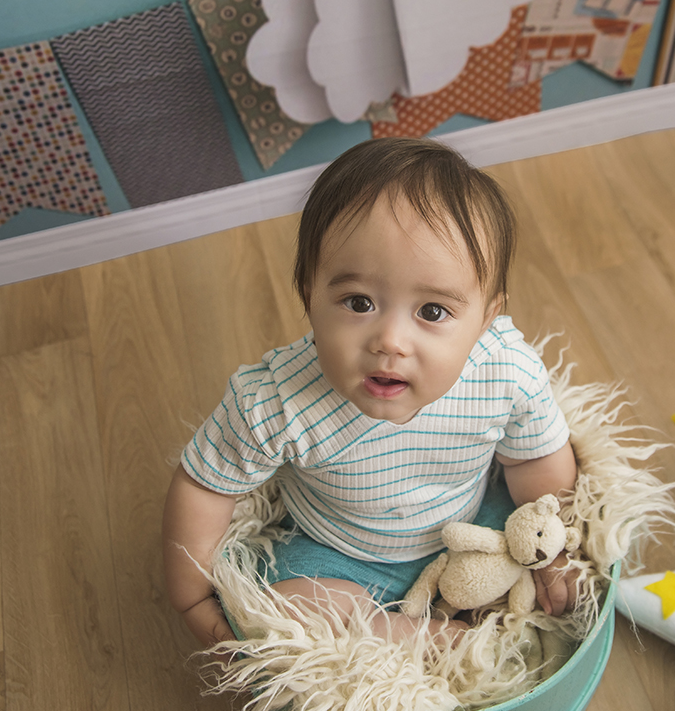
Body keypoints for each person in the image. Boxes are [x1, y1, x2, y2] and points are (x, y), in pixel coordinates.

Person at [163, 137, 578, 649]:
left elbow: (537, 462)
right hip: (337, 552)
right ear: (310, 296)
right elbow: (205, 485)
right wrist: (193, 596)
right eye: (358, 302)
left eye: (431, 312)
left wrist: (552, 550)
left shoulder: (505, 373)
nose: (390, 341)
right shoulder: (275, 400)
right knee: (275, 609)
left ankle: (471, 607)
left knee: (527, 551)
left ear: (486, 319)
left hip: (470, 529)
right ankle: (393, 630)